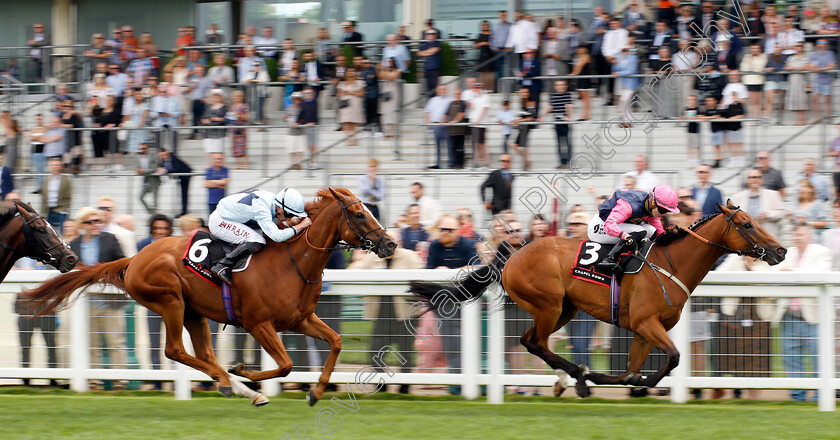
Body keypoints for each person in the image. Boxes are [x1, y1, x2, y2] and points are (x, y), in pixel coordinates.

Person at [350, 230, 423, 394]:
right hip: (381, 315)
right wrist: (358, 260)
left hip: (405, 316)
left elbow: (421, 278)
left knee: (405, 353)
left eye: (392, 242)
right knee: (375, 354)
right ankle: (381, 386)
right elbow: (354, 270)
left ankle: (405, 387)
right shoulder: (373, 258)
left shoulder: (410, 257)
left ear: (400, 243)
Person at [70, 207, 126, 389]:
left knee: (115, 342)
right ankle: (94, 382)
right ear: (81, 225)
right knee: (90, 343)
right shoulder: (74, 244)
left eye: (97, 221)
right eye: (90, 222)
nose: (95, 225)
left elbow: (123, 263)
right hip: (85, 304)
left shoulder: (110, 240)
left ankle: (120, 382)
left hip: (110, 300)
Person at [774, 224, 831, 401]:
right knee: (791, 356)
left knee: (818, 356)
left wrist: (792, 272)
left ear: (809, 237)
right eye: (795, 234)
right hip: (789, 315)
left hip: (814, 318)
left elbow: (822, 272)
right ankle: (797, 395)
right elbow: (773, 270)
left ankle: (819, 395)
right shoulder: (787, 252)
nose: (797, 238)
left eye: (801, 234)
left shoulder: (821, 252)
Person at [208, 188, 312, 285]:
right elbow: (277, 236)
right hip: (220, 221)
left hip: (234, 217)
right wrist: (299, 226)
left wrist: (290, 222)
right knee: (258, 240)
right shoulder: (262, 209)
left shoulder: (273, 202)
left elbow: (272, 221)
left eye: (293, 215)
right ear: (279, 207)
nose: (290, 219)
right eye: (289, 215)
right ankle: (223, 265)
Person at [589, 184, 681, 269]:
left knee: (651, 230)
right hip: (600, 227)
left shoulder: (649, 206)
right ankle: (609, 259)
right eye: (663, 210)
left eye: (667, 211)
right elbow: (609, 225)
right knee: (640, 231)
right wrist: (626, 236)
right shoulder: (629, 206)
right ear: (653, 202)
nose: (664, 214)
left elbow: (659, 233)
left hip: (615, 225)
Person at [730, 170, 785, 239]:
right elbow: (731, 217)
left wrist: (768, 215)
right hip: (745, 239)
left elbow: (781, 213)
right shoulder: (737, 197)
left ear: (762, 180)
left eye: (757, 177)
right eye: (752, 177)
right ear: (747, 180)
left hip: (767, 238)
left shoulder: (773, 194)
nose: (755, 180)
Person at [541, 80, 573, 169]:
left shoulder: (567, 94)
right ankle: (562, 163)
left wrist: (568, 116)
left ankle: (569, 162)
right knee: (559, 143)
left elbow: (568, 106)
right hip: (557, 122)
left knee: (567, 143)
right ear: (555, 87)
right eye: (559, 85)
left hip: (565, 122)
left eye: (562, 85)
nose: (561, 87)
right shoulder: (553, 95)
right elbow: (549, 107)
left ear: (566, 86)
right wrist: (541, 117)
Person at [156, 148, 192, 217]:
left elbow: (174, 169)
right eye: (161, 156)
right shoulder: (163, 161)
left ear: (167, 154)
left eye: (163, 155)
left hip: (185, 175)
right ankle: (182, 210)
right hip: (179, 177)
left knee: (184, 194)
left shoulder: (173, 158)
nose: (162, 157)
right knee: (181, 194)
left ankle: (184, 211)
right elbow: (161, 167)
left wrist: (165, 170)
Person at [40, 157, 72, 229]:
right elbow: (44, 198)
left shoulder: (66, 180)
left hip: (61, 210)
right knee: (48, 232)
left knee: (63, 231)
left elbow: (68, 196)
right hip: (48, 210)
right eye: (54, 165)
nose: (55, 167)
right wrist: (43, 212)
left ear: (61, 166)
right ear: (50, 166)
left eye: (57, 165)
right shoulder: (46, 180)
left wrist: (65, 208)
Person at [337, 67, 365, 146]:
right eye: (349, 71)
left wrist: (349, 92)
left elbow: (361, 94)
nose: (350, 72)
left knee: (354, 121)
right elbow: (339, 94)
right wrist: (349, 92)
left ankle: (354, 139)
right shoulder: (342, 83)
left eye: (352, 70)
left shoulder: (359, 82)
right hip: (345, 103)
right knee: (346, 121)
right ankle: (348, 139)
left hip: (355, 102)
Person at [510, 87, 536, 171]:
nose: (524, 94)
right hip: (522, 127)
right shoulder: (521, 103)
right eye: (522, 92)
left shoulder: (530, 102)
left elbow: (531, 117)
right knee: (514, 145)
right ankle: (526, 161)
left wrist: (519, 120)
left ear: (528, 93)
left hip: (527, 127)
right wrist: (516, 121)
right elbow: (523, 115)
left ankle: (525, 165)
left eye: (525, 92)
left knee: (524, 146)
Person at [378, 58, 402, 139]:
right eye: (388, 62)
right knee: (386, 112)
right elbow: (380, 77)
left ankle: (395, 132)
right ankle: (388, 133)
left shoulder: (397, 70)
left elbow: (392, 77)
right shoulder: (385, 70)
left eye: (391, 62)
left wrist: (384, 71)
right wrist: (382, 69)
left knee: (393, 111)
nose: (390, 63)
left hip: (394, 93)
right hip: (386, 92)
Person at [297, 88, 320, 169]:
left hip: (313, 125)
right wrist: (299, 122)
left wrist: (313, 122)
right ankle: (311, 161)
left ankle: (314, 161)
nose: (308, 94)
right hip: (306, 126)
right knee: (310, 145)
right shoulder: (303, 103)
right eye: (306, 93)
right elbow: (301, 115)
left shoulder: (314, 102)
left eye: (310, 93)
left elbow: (314, 114)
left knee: (314, 145)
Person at [445, 89, 468, 169]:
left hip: (461, 131)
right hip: (452, 130)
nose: (457, 95)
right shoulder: (451, 103)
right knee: (452, 147)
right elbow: (446, 114)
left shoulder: (463, 103)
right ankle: (453, 163)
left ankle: (460, 164)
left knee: (460, 148)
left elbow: (461, 114)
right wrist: (442, 121)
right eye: (456, 94)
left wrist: (453, 121)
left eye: (458, 94)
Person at [417, 30, 442, 97]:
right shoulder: (424, 44)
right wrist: (429, 52)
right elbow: (419, 53)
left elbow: (435, 50)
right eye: (429, 34)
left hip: (435, 69)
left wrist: (425, 53)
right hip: (427, 69)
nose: (430, 35)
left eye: (432, 34)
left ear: (435, 35)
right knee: (427, 88)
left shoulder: (437, 43)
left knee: (434, 89)